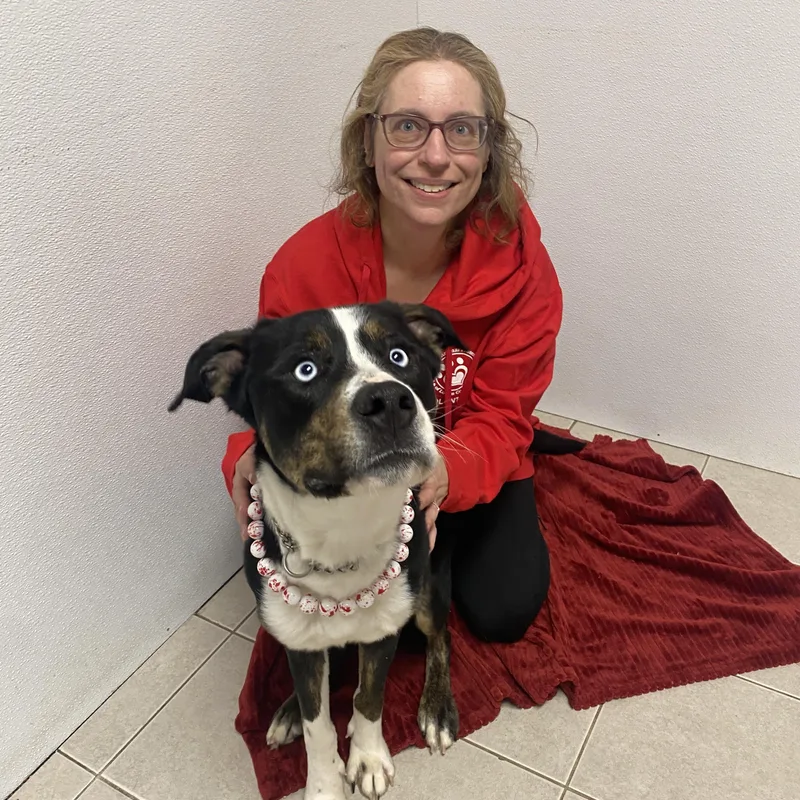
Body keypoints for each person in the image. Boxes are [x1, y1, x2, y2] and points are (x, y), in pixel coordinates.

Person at [221, 27, 564, 644]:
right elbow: (278, 397)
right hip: (351, 467)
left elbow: (505, 413)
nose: (436, 156)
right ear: (369, 141)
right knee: (316, 609)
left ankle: (444, 545)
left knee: (504, 610)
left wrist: (446, 477)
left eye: (462, 128)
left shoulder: (526, 273)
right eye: (408, 125)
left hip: (464, 453)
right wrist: (254, 454)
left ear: (489, 150)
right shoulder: (302, 268)